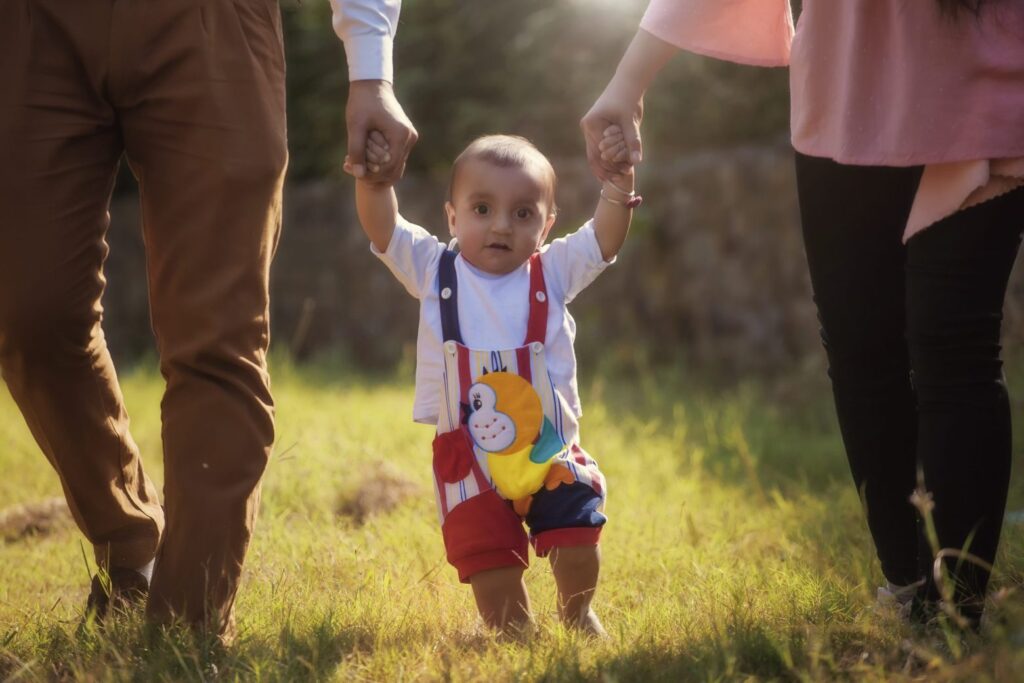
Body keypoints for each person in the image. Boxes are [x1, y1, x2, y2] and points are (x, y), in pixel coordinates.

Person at [581, 0, 1024, 627]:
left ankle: (955, 613)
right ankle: (907, 584)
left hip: (985, 70)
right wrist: (628, 83)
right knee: (860, 346)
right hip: (846, 89)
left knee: (955, 349)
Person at [0, 0, 288, 640]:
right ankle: (134, 541)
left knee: (217, 340)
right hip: (31, 25)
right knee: (28, 315)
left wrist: (371, 70)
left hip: (211, 24)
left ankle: (186, 631)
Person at [350, 132, 636, 634]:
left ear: (547, 226)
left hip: (547, 450)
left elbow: (603, 239)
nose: (501, 225)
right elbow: (385, 229)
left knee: (576, 535)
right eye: (482, 208)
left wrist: (617, 188)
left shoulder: (551, 272)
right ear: (453, 217)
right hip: (469, 460)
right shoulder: (434, 268)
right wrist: (375, 181)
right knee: (488, 561)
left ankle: (577, 613)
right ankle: (514, 634)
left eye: (523, 214)